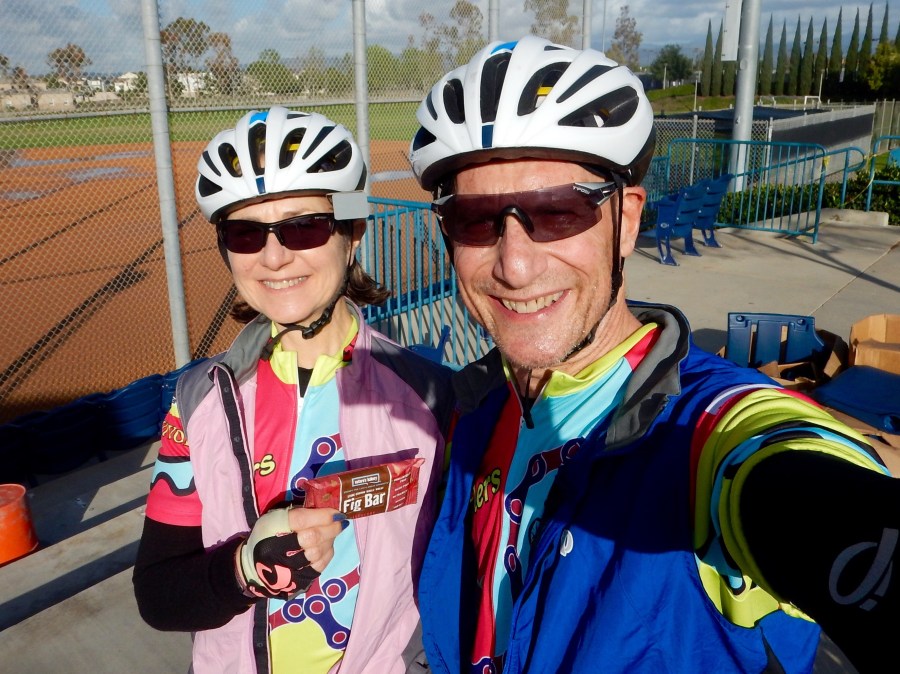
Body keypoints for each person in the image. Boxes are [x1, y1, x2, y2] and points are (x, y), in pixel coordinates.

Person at [408, 36, 898, 674]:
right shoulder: (474, 410)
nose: (515, 265)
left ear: (628, 220)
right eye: (475, 220)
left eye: (558, 212)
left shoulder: (709, 436)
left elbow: (788, 475)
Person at [134, 106, 454, 673]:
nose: (274, 257)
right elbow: (158, 594)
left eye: (304, 226)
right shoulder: (200, 400)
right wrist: (245, 570)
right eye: (245, 233)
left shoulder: (429, 399)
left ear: (352, 233)